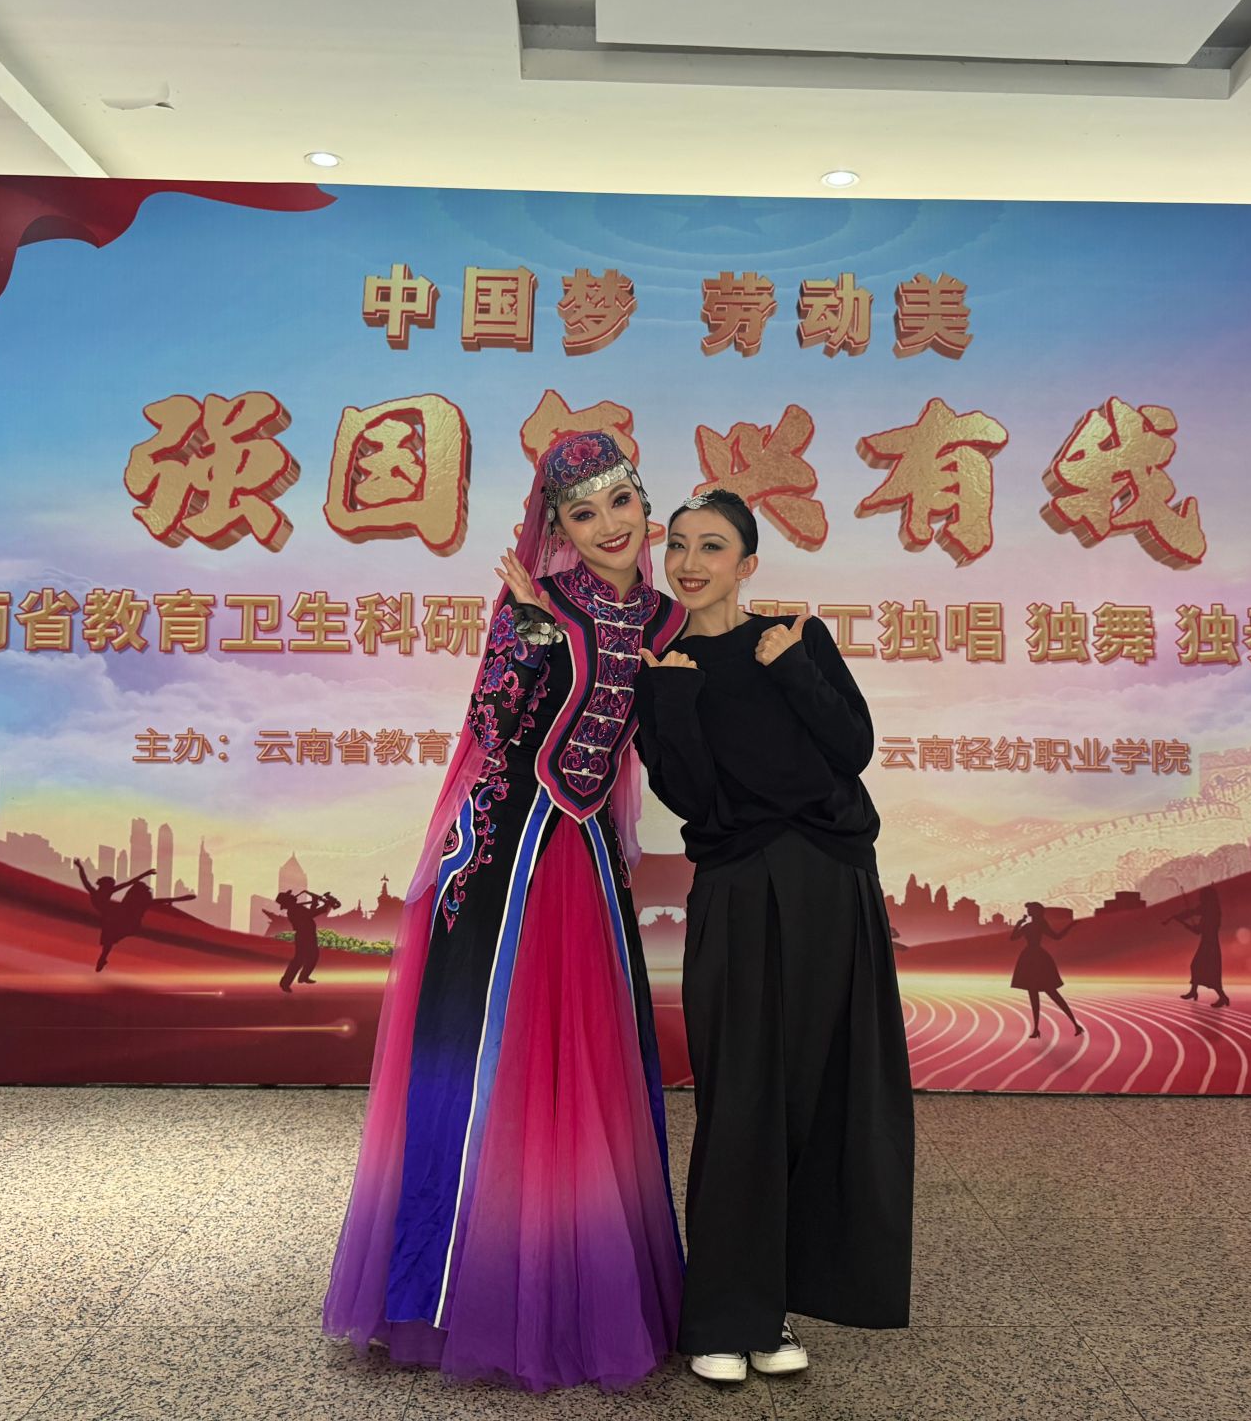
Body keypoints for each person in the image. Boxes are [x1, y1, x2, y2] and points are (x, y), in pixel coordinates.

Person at [322, 432, 687, 1391]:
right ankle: (446, 1298)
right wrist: (526, 640)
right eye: (583, 514)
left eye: (620, 503)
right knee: (491, 1062)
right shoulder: (537, 602)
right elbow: (489, 732)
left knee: (585, 1073)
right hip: (503, 859)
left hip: (588, 863)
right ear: (557, 526)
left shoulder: (667, 619)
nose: (609, 527)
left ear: (645, 504)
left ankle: (580, 1292)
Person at [632, 487, 913, 1385]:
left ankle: (779, 1305)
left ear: (748, 563)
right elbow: (692, 797)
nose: (690, 562)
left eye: (712, 546)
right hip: (740, 885)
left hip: (834, 880)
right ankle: (724, 1313)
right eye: (679, 545)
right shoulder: (662, 666)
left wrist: (793, 667)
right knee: (743, 1095)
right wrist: (673, 698)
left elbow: (852, 748)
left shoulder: (799, 638)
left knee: (822, 1092)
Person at [1011, 902, 1083, 1037]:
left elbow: (1057, 937)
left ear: (1036, 911)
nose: (1028, 911)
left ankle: (1075, 1024)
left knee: (1049, 993)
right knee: (1036, 994)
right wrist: (1019, 923)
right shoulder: (1030, 925)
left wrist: (1070, 926)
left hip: (1035, 959)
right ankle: (1037, 1029)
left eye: (1030, 909)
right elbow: (1013, 938)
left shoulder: (1037, 925)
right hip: (1033, 958)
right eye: (1028, 909)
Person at [1169, 885, 1229, 1007]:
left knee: (1208, 971)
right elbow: (1194, 913)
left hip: (1209, 946)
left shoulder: (1211, 912)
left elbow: (1198, 930)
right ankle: (1194, 992)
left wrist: (1182, 921)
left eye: (1202, 897)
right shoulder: (1211, 910)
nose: (1200, 900)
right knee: (1198, 967)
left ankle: (1223, 997)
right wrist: (1182, 918)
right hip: (1208, 944)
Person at [278, 888, 340, 990]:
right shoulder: (295, 909)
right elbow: (311, 914)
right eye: (289, 896)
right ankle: (285, 983)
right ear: (288, 901)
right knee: (299, 960)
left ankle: (302, 977)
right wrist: (325, 905)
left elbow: (309, 914)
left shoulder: (296, 908)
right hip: (304, 936)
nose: (292, 896)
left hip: (308, 935)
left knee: (312, 957)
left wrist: (315, 901)